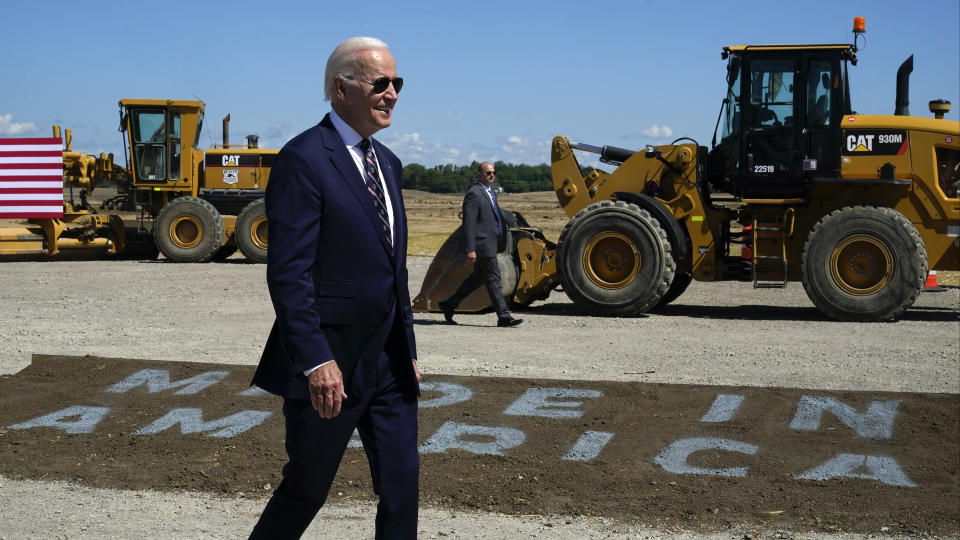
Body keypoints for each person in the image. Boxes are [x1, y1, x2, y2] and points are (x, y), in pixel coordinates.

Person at [249, 36, 421, 539]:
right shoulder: (304, 158)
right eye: (381, 83)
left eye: (398, 83)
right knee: (306, 488)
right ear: (341, 88)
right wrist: (316, 360)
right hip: (331, 363)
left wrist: (407, 346)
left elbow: (395, 269)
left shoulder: (387, 163)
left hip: (389, 361)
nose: (392, 93)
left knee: (402, 486)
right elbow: (289, 272)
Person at [438, 162, 523, 327]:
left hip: (491, 243)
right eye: (487, 173)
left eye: (493, 172)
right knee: (494, 279)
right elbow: (468, 224)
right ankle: (504, 316)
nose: (491, 175)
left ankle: (449, 304)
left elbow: (496, 214)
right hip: (482, 245)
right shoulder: (474, 194)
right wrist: (470, 249)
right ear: (479, 175)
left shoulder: (490, 193)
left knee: (477, 278)